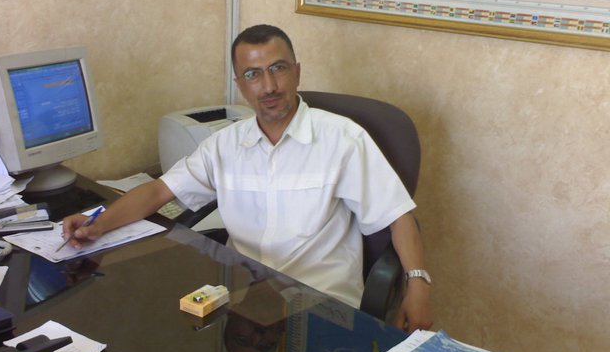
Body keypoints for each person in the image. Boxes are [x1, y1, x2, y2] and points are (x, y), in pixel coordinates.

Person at [61, 24, 432, 332]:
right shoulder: (225, 145)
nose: (268, 86)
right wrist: (98, 225)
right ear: (240, 84)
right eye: (253, 74)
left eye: (278, 68)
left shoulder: (343, 139)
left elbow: (397, 215)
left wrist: (418, 286)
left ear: (297, 72)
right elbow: (159, 191)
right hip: (244, 299)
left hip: (319, 305)